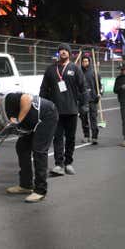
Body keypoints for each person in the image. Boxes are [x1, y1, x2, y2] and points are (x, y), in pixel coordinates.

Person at [0, 89, 58, 203]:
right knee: (22, 148)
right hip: (30, 124)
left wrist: (18, 120)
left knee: (39, 150)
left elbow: (26, 99)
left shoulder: (7, 99)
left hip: (45, 116)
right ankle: (26, 185)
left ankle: (40, 191)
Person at [40, 43, 87, 176]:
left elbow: (83, 88)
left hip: (72, 110)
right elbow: (43, 89)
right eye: (61, 50)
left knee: (70, 138)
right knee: (57, 138)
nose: (63, 52)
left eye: (66, 50)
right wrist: (42, 106)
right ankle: (58, 164)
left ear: (69, 53)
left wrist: (84, 106)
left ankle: (68, 163)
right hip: (55, 110)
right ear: (58, 53)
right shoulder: (50, 69)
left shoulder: (75, 69)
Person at [80, 56, 103, 145]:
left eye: (86, 61)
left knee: (93, 118)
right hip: (82, 100)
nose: (85, 63)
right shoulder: (79, 73)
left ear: (89, 62)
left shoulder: (95, 73)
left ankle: (94, 137)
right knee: (84, 119)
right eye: (83, 61)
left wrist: (100, 94)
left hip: (93, 99)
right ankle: (86, 136)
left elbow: (101, 86)